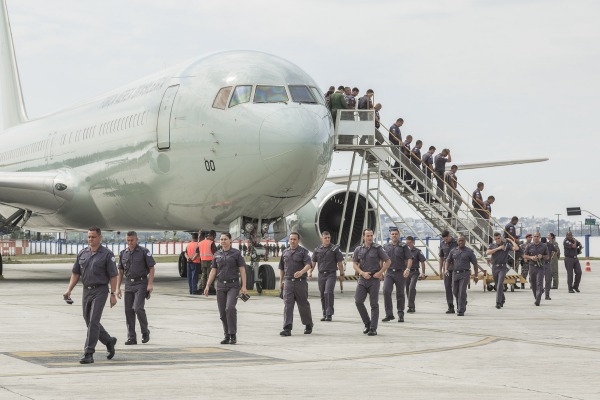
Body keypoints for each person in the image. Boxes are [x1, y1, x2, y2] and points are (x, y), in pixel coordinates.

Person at [63, 226, 118, 364]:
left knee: (93, 321)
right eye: (89, 237)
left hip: (100, 290)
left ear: (100, 238)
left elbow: (113, 275)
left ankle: (89, 353)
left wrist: (113, 294)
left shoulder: (107, 254)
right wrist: (69, 290)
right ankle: (108, 341)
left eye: (93, 237)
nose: (90, 239)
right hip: (86, 290)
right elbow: (76, 273)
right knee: (88, 321)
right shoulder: (82, 253)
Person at [204, 232, 248, 345]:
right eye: (221, 239)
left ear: (230, 240)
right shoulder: (217, 254)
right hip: (220, 286)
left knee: (230, 308)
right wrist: (208, 285)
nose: (223, 241)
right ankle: (226, 335)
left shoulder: (236, 254)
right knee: (223, 313)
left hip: (233, 285)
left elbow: (242, 270)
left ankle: (233, 334)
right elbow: (213, 270)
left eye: (225, 239)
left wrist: (244, 286)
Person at [116, 231, 156, 345]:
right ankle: (131, 337)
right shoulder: (123, 253)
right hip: (128, 284)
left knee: (138, 308)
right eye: (128, 240)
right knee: (128, 311)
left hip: (141, 283)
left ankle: (145, 331)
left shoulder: (144, 252)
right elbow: (121, 271)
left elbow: (151, 268)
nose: (130, 242)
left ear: (137, 239)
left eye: (132, 240)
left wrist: (150, 284)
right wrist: (118, 288)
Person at [353, 228, 391, 336]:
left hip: (374, 279)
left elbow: (388, 261)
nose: (369, 238)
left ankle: (373, 328)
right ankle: (367, 323)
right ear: (363, 237)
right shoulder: (358, 249)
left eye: (371, 235)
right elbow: (355, 264)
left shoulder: (378, 248)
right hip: (363, 278)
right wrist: (361, 273)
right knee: (358, 301)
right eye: (367, 236)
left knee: (374, 304)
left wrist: (380, 272)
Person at [278, 232, 313, 336]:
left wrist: (301, 272)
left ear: (298, 240)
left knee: (303, 305)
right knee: (288, 305)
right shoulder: (285, 252)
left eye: (294, 239)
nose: (292, 241)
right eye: (291, 239)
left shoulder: (303, 252)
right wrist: (281, 281)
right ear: (289, 240)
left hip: (300, 283)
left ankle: (308, 324)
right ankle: (287, 328)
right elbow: (281, 268)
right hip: (288, 282)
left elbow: (308, 265)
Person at [310, 231, 345, 321]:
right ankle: (325, 313)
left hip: (331, 274)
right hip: (321, 274)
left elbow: (340, 263)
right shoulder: (317, 249)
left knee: (328, 292)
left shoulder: (335, 249)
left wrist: (341, 274)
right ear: (322, 238)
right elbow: (313, 263)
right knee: (322, 294)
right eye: (325, 238)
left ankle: (329, 314)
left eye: (329, 237)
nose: (327, 239)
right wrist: (310, 272)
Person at [382, 228, 413, 323]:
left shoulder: (404, 246)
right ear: (390, 236)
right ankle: (389, 314)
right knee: (386, 291)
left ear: (399, 235)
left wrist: (407, 269)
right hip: (389, 272)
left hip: (400, 273)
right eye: (392, 234)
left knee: (400, 294)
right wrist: (381, 271)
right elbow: (381, 259)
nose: (394, 235)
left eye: (396, 234)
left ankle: (400, 314)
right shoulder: (386, 246)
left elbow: (410, 259)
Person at [445, 236, 481, 316]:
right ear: (457, 242)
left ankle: (460, 310)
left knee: (461, 291)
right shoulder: (453, 251)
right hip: (455, 273)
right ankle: (463, 302)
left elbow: (475, 264)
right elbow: (447, 261)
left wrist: (476, 276)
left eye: (462, 241)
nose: (461, 242)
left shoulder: (469, 252)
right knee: (455, 291)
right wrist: (446, 269)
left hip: (465, 274)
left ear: (465, 242)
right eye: (459, 241)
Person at [486, 232, 518, 309]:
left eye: (499, 238)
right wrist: (498, 248)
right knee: (497, 285)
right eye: (496, 238)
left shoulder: (506, 245)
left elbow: (516, 248)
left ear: (501, 238)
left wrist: (511, 241)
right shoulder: (492, 245)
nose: (497, 240)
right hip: (494, 267)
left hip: (502, 267)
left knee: (500, 284)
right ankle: (502, 298)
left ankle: (498, 302)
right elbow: (487, 252)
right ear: (494, 239)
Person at [523, 233, 549, 306]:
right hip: (532, 266)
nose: (536, 238)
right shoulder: (529, 246)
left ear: (539, 237)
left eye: (537, 236)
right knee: (533, 284)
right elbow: (524, 255)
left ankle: (538, 300)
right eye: (535, 236)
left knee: (539, 283)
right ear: (533, 237)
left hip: (540, 267)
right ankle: (536, 297)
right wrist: (531, 257)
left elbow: (547, 256)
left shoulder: (544, 246)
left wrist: (542, 256)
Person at [404, 236, 426, 313]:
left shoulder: (417, 251)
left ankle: (411, 306)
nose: (408, 244)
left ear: (413, 242)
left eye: (409, 243)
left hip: (415, 272)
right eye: (407, 243)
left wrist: (423, 273)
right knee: (407, 289)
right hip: (406, 272)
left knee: (412, 287)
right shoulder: (404, 251)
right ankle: (411, 305)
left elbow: (422, 262)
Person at [439, 230, 458, 314]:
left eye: (446, 239)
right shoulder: (442, 243)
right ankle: (450, 306)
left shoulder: (457, 242)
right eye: (444, 239)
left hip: (456, 267)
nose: (445, 241)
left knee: (455, 287)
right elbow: (441, 257)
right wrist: (440, 270)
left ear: (449, 236)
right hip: (446, 268)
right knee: (447, 287)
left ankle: (461, 303)